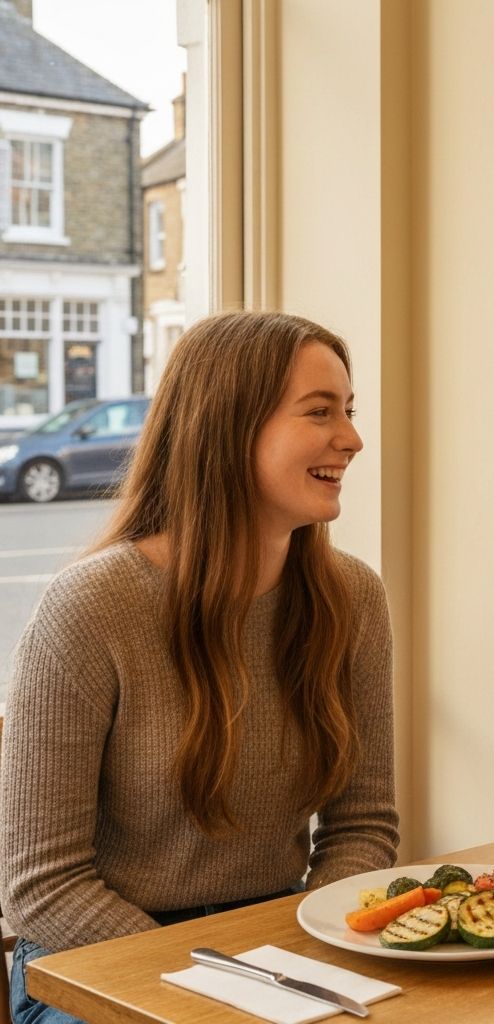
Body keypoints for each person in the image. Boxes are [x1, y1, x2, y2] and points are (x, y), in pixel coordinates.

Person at [0, 311, 400, 1023]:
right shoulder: (89, 609)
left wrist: (315, 943)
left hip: (278, 945)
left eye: (349, 410)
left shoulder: (355, 599)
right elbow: (42, 887)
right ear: (229, 428)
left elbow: (362, 827)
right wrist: (220, 987)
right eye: (320, 413)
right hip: (96, 964)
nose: (353, 438)